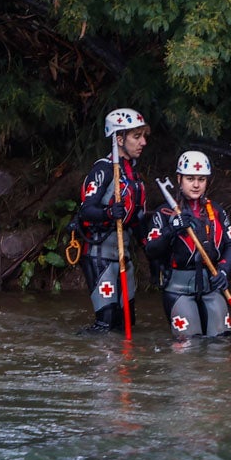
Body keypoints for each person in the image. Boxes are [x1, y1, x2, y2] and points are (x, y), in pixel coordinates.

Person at [144, 150, 231, 342]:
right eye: (190, 178)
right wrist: (173, 229)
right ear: (179, 179)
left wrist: (224, 271)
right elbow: (151, 249)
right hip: (178, 289)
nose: (196, 185)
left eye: (201, 179)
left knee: (220, 342)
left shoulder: (217, 211)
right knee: (189, 344)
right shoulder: (164, 213)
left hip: (211, 287)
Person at [76, 107, 149, 333]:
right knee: (105, 322)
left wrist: (153, 252)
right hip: (100, 254)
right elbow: (86, 210)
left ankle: (124, 364)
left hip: (123, 255)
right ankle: (95, 361)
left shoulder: (134, 177)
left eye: (144, 136)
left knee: (126, 321)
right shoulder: (104, 169)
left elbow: (137, 222)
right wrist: (108, 213)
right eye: (136, 136)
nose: (143, 142)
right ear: (119, 139)